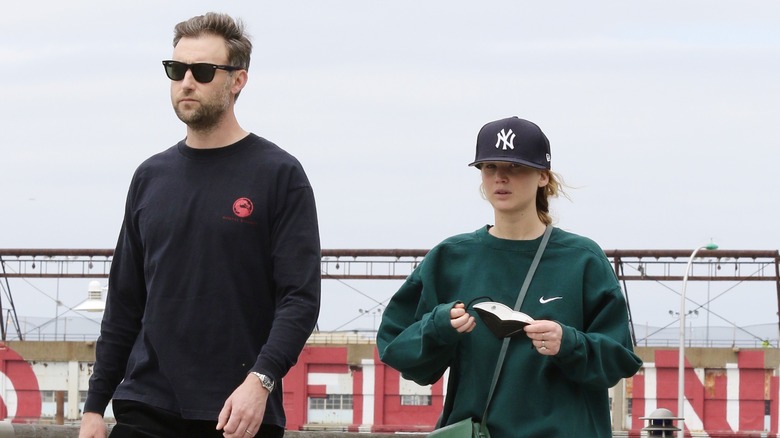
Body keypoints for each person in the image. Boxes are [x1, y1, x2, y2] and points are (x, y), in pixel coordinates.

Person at [79, 12, 321, 438]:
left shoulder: (279, 175)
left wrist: (260, 380)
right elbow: (124, 301)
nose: (186, 81)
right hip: (145, 406)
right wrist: (94, 408)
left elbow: (299, 299)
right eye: (177, 70)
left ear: (237, 80)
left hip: (239, 415)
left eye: (203, 71)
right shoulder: (150, 177)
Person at [377, 116, 642, 437]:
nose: (501, 177)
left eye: (515, 167)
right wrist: (438, 326)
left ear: (543, 176)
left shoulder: (582, 259)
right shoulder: (450, 258)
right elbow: (397, 350)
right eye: (489, 167)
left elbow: (620, 360)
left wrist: (568, 342)